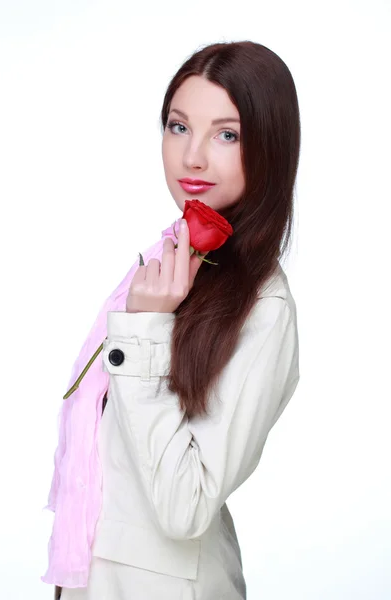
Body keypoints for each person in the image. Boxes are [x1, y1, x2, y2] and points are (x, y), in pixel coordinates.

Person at [44, 39, 301, 600]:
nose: (193, 157)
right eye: (179, 126)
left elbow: (185, 506)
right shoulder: (174, 261)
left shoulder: (264, 308)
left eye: (227, 134)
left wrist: (145, 332)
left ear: (271, 148)